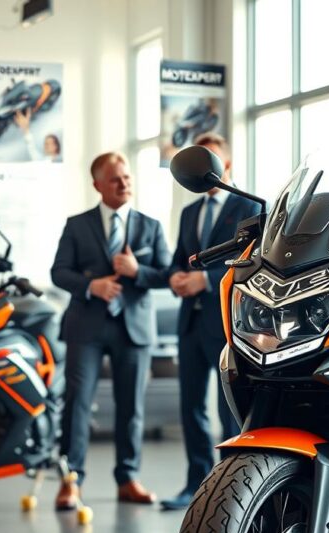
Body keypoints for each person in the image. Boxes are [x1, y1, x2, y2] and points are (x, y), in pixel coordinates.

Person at [51, 152, 171, 509]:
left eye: (127, 177)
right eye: (116, 179)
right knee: (77, 403)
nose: (124, 184)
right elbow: (58, 272)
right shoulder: (77, 225)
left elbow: (166, 274)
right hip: (85, 326)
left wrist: (137, 271)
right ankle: (71, 481)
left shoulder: (150, 226)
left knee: (131, 407)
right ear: (97, 185)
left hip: (133, 328)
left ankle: (128, 478)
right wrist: (93, 286)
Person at [161, 133, 262, 511]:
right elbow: (179, 259)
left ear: (226, 166)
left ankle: (228, 495)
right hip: (189, 323)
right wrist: (175, 277)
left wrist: (204, 279)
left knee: (227, 410)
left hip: (225, 326)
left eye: (211, 162)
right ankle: (195, 485)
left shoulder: (248, 209)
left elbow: (249, 263)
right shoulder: (190, 212)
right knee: (191, 408)